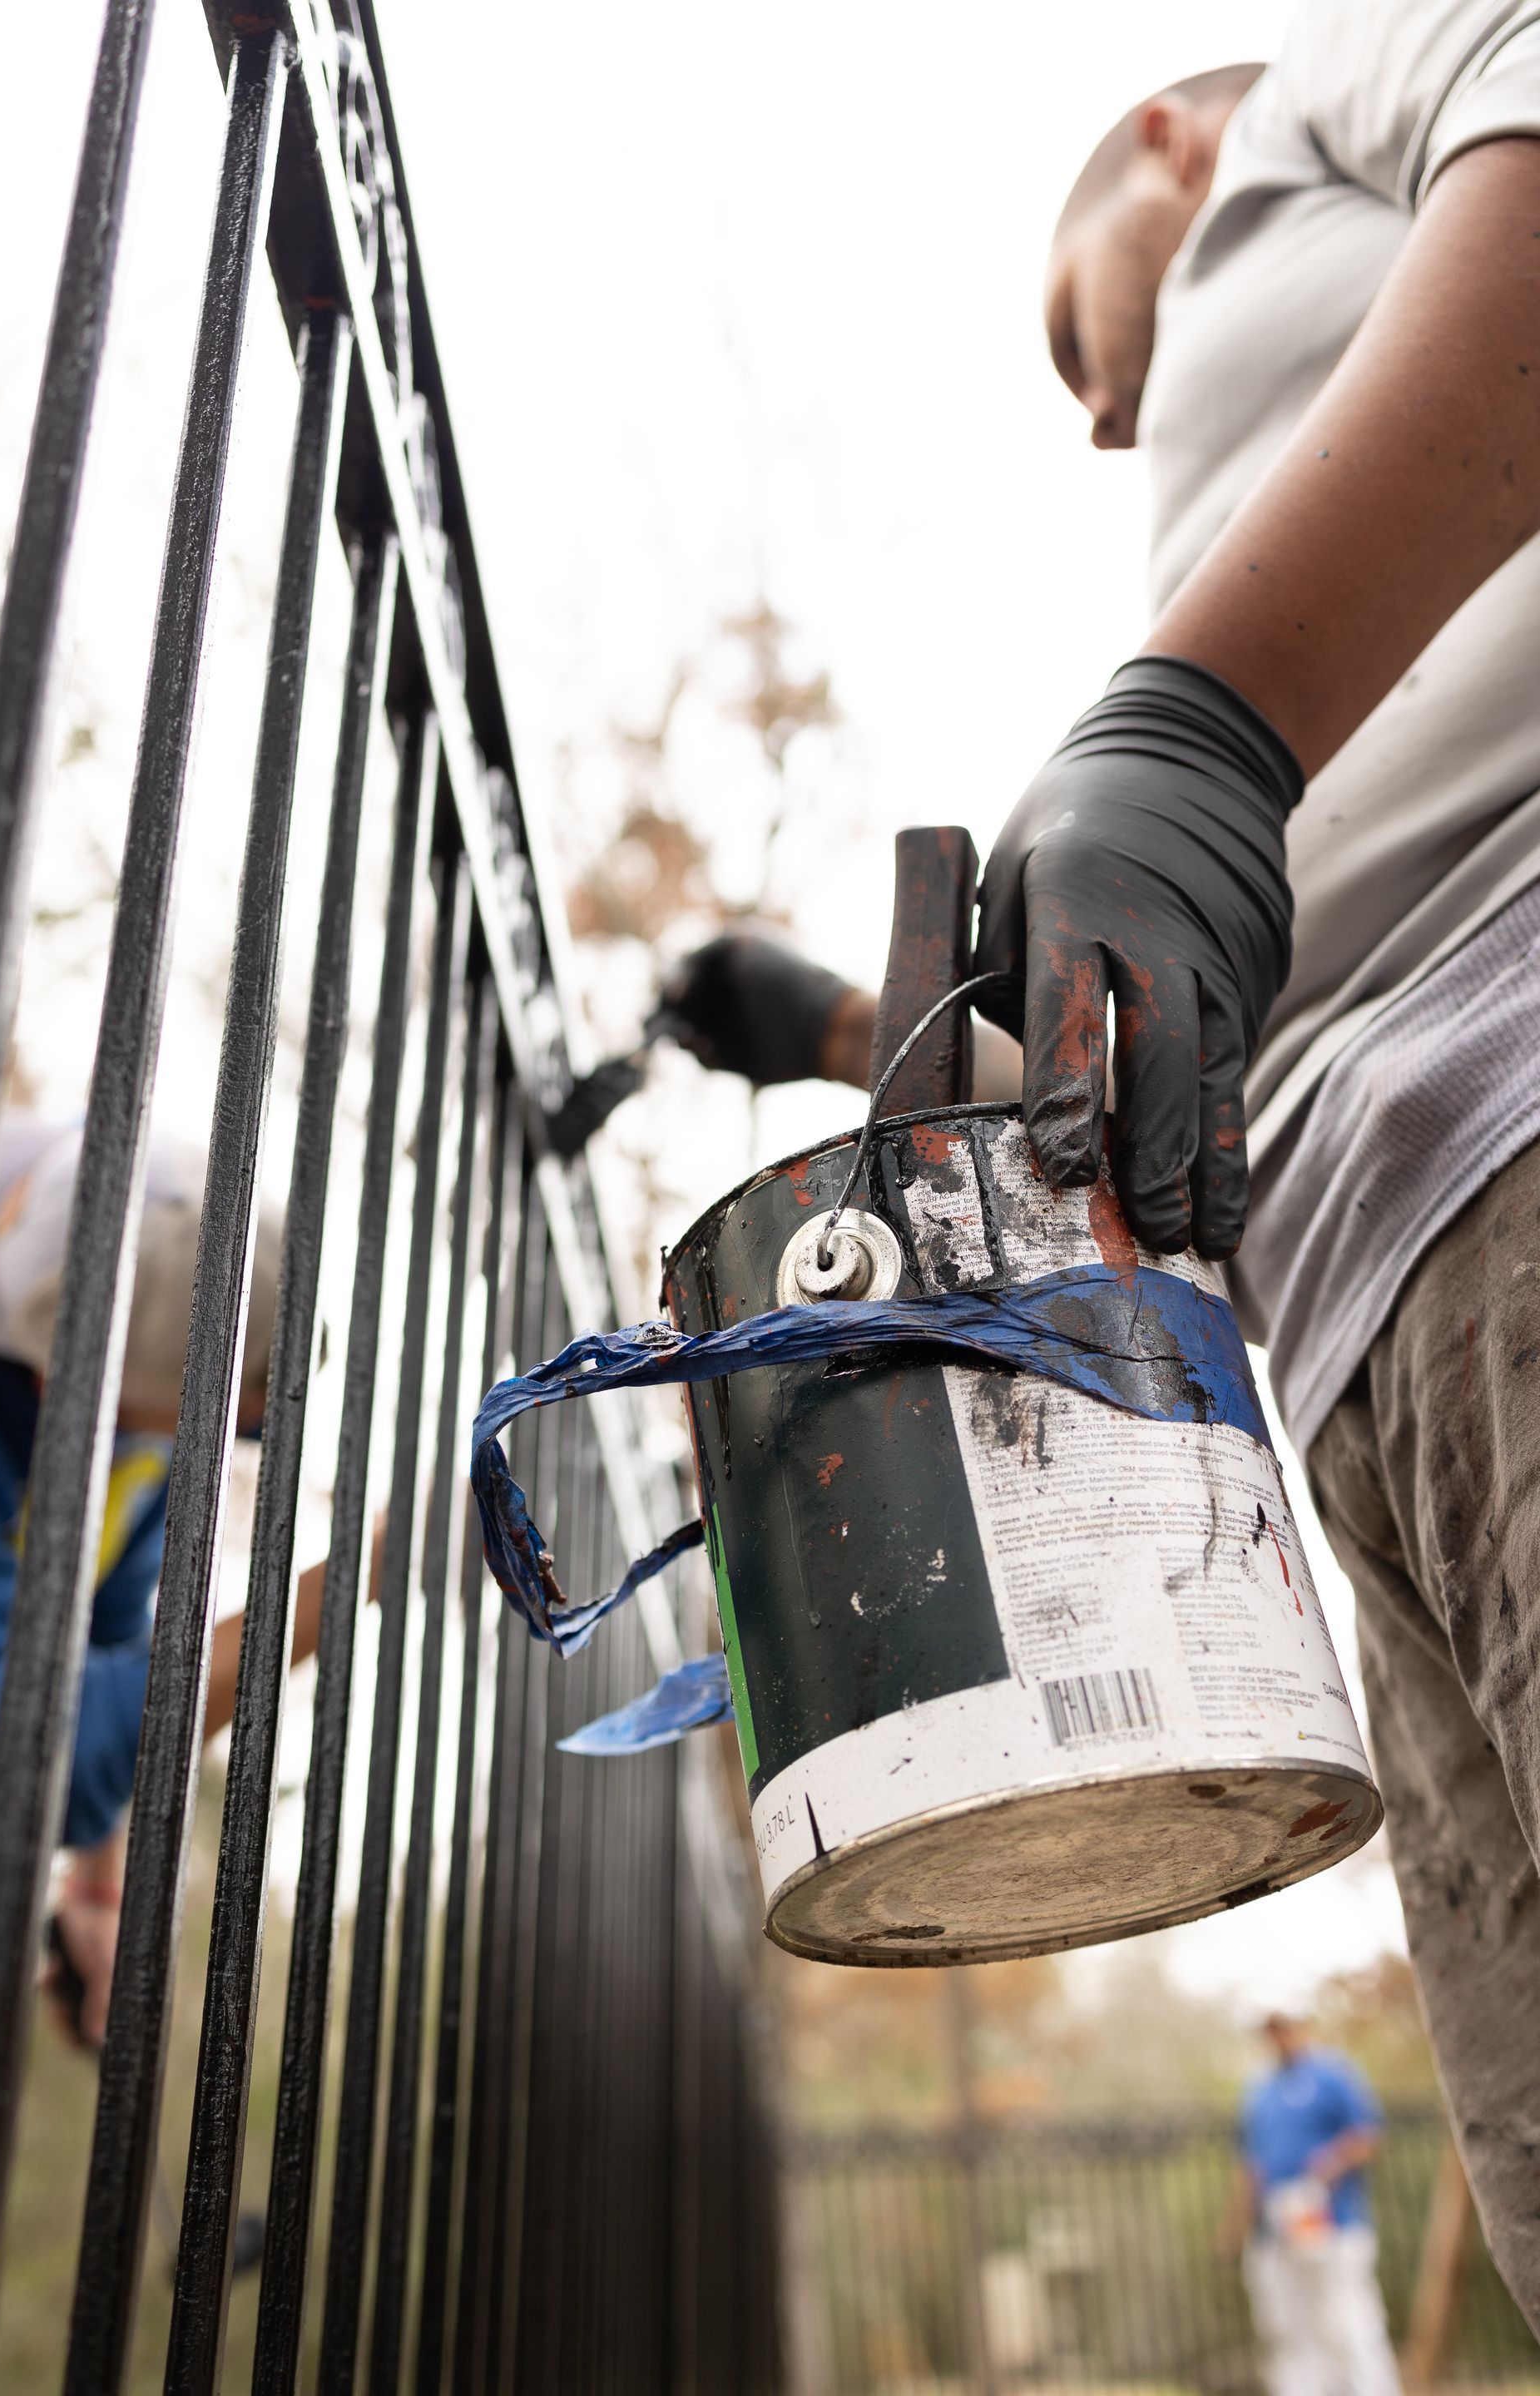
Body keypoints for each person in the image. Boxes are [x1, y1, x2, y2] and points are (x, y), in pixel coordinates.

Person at [657, 5, 1540, 2325]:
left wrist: (1212, 717)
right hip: (1359, 1382)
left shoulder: (1345, 81)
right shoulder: (1273, 473)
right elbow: (1202, 1036)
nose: (1098, 418)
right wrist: (847, 1035)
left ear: (1163, 141)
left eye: (1076, 334)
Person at [0, 1118, 347, 2046]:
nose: (233, 1441)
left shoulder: (129, 1420)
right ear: (66, 1380)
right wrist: (364, 1569)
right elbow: (22, 1746)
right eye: (219, 1412)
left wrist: (97, 1877)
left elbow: (104, 1637)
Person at [1222, 2013, 1400, 2396]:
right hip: (1275, 2229)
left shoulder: (1333, 2074)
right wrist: (1235, 2227)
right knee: (1287, 2325)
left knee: (1347, 2319)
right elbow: (1251, 2165)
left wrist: (1330, 2164)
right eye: (1270, 2031)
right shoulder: (1259, 2090)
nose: (1277, 2038)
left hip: (1334, 2222)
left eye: (1283, 2028)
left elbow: (1368, 2135)